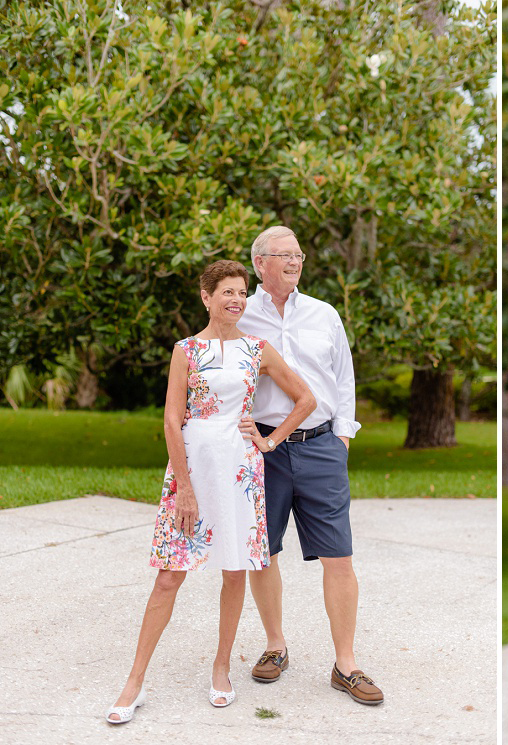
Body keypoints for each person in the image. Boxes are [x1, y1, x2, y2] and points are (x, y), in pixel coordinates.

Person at [106, 260, 316, 724]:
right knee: (168, 576)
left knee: (235, 572)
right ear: (206, 296)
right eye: (227, 292)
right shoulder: (186, 350)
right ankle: (134, 680)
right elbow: (170, 420)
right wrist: (183, 487)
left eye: (242, 292)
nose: (237, 300)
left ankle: (222, 667)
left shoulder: (258, 349)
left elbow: (306, 400)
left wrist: (269, 441)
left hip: (240, 470)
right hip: (193, 468)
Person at [238, 225, 383, 705]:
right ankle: (275, 646)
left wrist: (342, 435)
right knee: (265, 551)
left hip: (322, 446)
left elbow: (344, 377)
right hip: (264, 450)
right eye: (284, 255)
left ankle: (346, 664)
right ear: (260, 263)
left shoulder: (324, 314)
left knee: (338, 555)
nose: (295, 262)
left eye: (299, 254)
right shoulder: (242, 315)